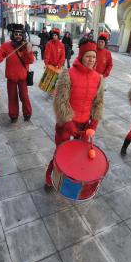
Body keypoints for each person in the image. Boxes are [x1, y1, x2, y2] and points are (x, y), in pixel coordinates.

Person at [44, 40, 104, 192]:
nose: (91, 60)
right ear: (81, 56)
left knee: (80, 155)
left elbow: (98, 103)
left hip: (85, 126)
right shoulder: (68, 74)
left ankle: (73, 180)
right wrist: (68, 122)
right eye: (88, 56)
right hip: (66, 123)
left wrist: (93, 124)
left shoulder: (98, 78)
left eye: (93, 57)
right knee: (61, 153)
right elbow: (61, 101)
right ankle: (50, 178)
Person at [0, 23, 34, 123]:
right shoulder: (7, 45)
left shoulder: (25, 46)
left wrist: (28, 51)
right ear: (13, 35)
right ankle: (13, 115)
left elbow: (30, 61)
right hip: (11, 77)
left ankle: (27, 113)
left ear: (23, 35)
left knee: (24, 96)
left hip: (22, 77)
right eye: (16, 34)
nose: (18, 36)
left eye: (20, 34)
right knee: (12, 97)